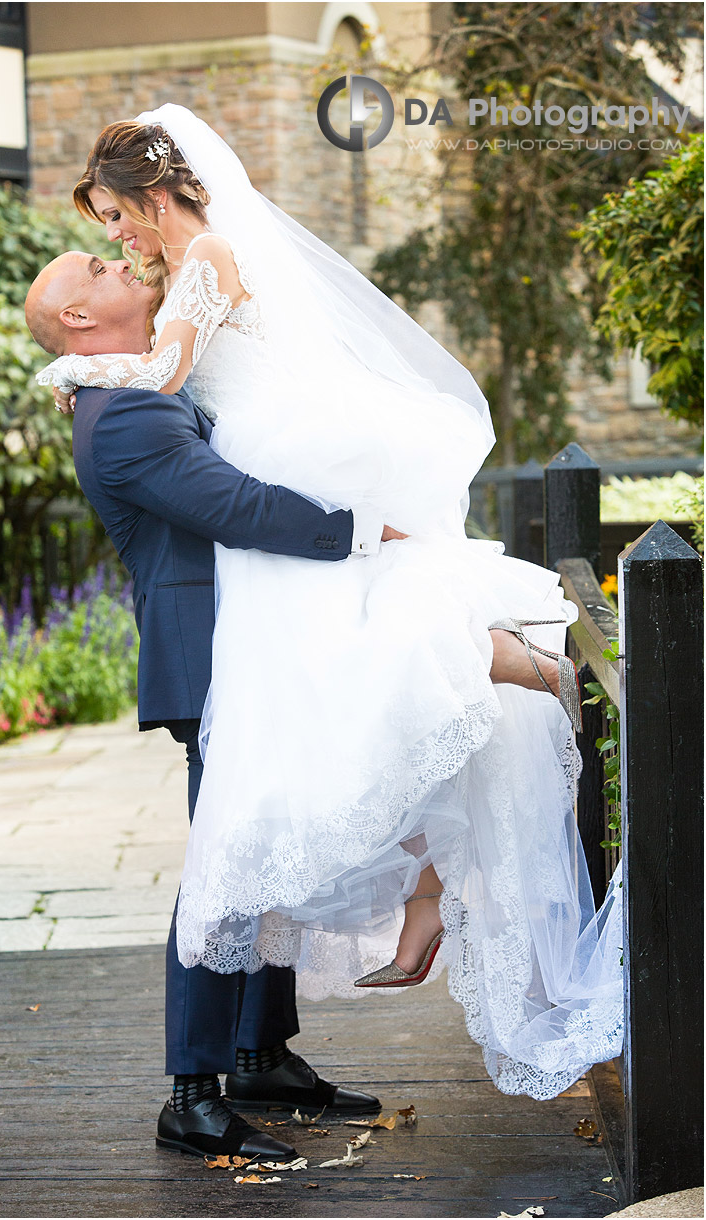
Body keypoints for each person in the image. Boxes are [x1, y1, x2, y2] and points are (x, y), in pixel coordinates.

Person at [38, 103, 623, 1104]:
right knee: (309, 754)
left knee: (365, 675)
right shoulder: (159, 330)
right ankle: (216, 1077)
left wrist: (78, 365)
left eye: (111, 219)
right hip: (253, 551)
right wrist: (91, 370)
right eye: (101, 238)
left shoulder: (207, 258)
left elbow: (174, 379)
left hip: (293, 492)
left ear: (146, 190)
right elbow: (184, 421)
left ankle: (275, 1038)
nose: (115, 239)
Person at [25, 252, 392, 1160]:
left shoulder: (139, 390)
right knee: (227, 866)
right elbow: (230, 504)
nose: (119, 259)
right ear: (79, 320)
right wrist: (359, 532)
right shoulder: (122, 416)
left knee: (262, 851)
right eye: (98, 265)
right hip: (215, 663)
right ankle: (190, 1093)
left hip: (249, 653)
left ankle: (259, 1056)